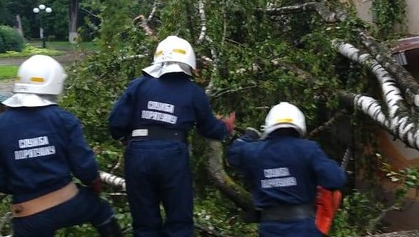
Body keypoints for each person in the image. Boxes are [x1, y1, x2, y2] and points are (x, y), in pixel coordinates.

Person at [0, 55, 123, 237]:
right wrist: (94, 183)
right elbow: (83, 166)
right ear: (55, 84)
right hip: (70, 202)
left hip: (29, 214)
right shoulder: (63, 119)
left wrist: (22, 187)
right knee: (101, 210)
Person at [109, 35, 234, 236]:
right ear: (189, 62)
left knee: (144, 223)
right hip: (172, 155)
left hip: (138, 153)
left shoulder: (139, 85)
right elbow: (209, 129)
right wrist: (226, 127)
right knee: (179, 221)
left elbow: (115, 122)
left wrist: (125, 137)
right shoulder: (193, 92)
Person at [226, 102, 347, 237]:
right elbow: (336, 180)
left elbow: (233, 153)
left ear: (269, 126)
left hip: (270, 230)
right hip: (304, 229)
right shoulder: (308, 149)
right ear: (299, 125)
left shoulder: (255, 151)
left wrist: (249, 136)